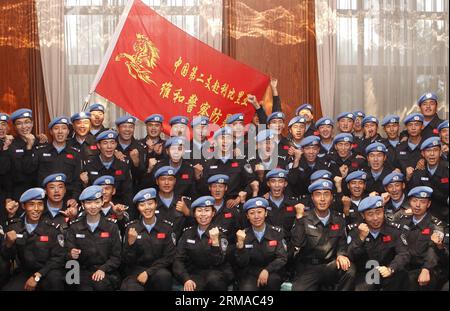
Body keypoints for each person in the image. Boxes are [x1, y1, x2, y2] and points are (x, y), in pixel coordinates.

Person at [291, 179, 355, 291]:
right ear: (312, 198)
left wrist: (341, 254)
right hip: (309, 267)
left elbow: (342, 242)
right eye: (318, 194)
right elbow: (297, 243)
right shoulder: (304, 218)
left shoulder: (338, 219)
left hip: (330, 265)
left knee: (350, 270)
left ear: (331, 198)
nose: (322, 199)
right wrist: (299, 219)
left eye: (326, 194)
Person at [2, 188, 65, 291]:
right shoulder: (15, 227)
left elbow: (59, 257)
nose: (36, 209)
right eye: (31, 204)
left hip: (47, 273)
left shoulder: (52, 228)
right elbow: (6, 257)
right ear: (23, 206)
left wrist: (37, 276)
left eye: (40, 204)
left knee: (55, 281)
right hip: (25, 273)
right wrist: (8, 244)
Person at [347, 196, 410, 291]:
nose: (375, 218)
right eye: (370, 214)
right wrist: (361, 238)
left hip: (389, 271)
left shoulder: (394, 230)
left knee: (403, 275)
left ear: (383, 211)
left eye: (378, 212)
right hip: (366, 274)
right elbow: (350, 256)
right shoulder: (356, 231)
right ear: (363, 215)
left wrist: (391, 268)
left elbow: (404, 254)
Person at [65, 185, 122, 291]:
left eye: (96, 202)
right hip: (81, 271)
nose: (93, 206)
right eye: (89, 203)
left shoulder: (111, 226)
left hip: (105, 271)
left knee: (100, 285)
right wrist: (70, 254)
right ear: (82, 205)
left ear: (102, 202)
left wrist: (103, 269)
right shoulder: (75, 227)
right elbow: (66, 254)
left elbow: (116, 257)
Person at [173, 196, 233, 291]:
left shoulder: (220, 234)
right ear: (194, 214)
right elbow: (178, 260)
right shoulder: (188, 233)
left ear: (213, 213)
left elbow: (219, 261)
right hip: (196, 274)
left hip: (217, 274)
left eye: (207, 210)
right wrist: (186, 279)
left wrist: (215, 244)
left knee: (213, 280)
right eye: (199, 211)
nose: (203, 214)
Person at [121, 188, 175, 291]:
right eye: (142, 205)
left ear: (156, 204)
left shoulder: (166, 227)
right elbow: (126, 260)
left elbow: (169, 257)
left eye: (150, 203)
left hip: (158, 270)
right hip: (135, 272)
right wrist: (130, 244)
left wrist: (148, 272)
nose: (147, 208)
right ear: (138, 208)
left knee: (164, 276)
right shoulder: (131, 228)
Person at [234, 197, 287, 291]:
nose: (256, 216)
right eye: (252, 213)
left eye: (259, 212)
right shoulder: (243, 235)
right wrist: (241, 246)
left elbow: (282, 258)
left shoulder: (276, 232)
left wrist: (267, 270)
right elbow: (241, 263)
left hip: (272, 272)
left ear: (266, 213)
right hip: (251, 274)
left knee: (273, 282)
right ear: (247, 216)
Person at [398, 186, 445, 290]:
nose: (418, 205)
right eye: (414, 201)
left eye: (422, 202)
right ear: (409, 202)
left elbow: (432, 249)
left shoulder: (436, 225)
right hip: (405, 266)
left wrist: (426, 268)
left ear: (428, 204)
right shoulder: (404, 221)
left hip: (428, 269)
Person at [25, 116, 82, 200]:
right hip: (43, 198)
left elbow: (77, 180)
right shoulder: (40, 151)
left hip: (67, 198)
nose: (60, 132)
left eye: (64, 128)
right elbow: (30, 173)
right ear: (51, 132)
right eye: (56, 128)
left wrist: (74, 198)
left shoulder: (75, 153)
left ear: (68, 131)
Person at [82, 130, 133, 208]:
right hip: (94, 209)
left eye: (112, 143)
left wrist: (125, 215)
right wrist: (84, 184)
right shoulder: (89, 165)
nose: (109, 147)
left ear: (116, 144)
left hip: (117, 210)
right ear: (99, 146)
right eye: (105, 143)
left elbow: (127, 195)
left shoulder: (123, 166)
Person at [409, 136, 449, 223]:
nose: (432, 154)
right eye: (428, 151)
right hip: (424, 219)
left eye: (435, 150)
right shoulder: (418, 173)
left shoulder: (447, 169)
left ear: (441, 152)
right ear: (423, 154)